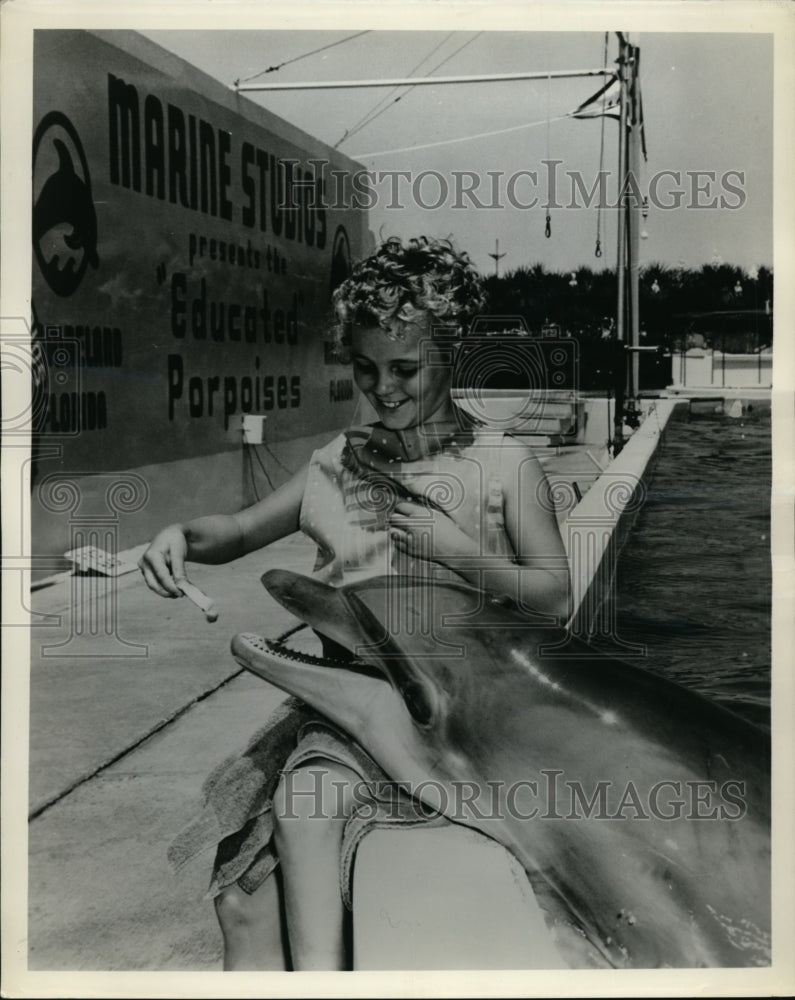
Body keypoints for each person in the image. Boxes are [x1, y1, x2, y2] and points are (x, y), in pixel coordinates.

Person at [139, 236, 570, 971]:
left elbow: (555, 599)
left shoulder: (501, 463)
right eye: (365, 370)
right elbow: (239, 530)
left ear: (452, 356)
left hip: (454, 718)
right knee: (242, 891)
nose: (384, 388)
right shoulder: (336, 464)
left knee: (303, 814)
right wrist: (180, 534)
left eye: (405, 369)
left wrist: (457, 553)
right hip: (341, 711)